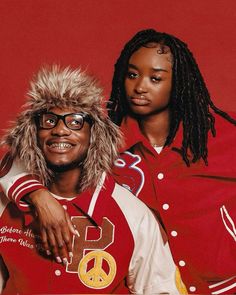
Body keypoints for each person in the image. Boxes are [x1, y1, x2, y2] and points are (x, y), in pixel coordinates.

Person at [1, 28, 236, 294]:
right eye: (132, 74)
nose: (139, 87)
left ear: (180, 82)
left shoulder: (224, 135)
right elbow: (23, 150)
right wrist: (38, 195)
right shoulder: (102, 137)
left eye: (155, 78)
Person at [0, 65, 185, 294]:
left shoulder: (132, 215)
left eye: (75, 121)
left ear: (94, 136)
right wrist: (39, 197)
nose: (60, 130)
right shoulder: (7, 205)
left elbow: (161, 289)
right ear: (33, 133)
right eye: (49, 121)